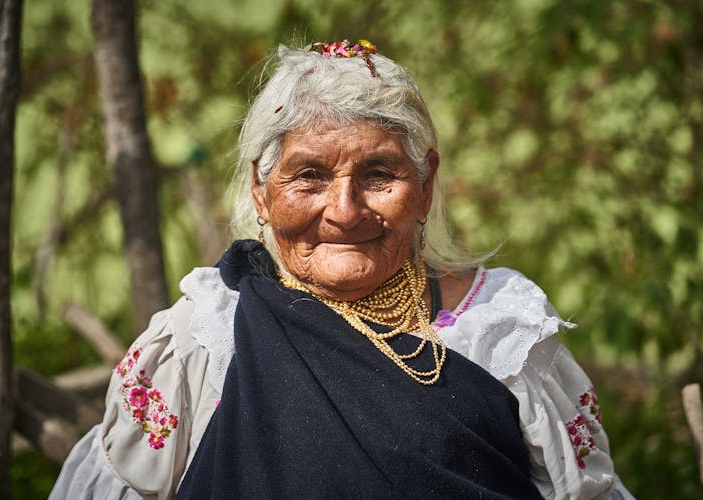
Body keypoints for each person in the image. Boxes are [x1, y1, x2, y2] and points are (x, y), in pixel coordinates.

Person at [50, 40, 634, 499]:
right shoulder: (204, 337)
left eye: (379, 174)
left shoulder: (501, 334)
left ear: (425, 185)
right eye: (309, 175)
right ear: (261, 190)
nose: (345, 210)